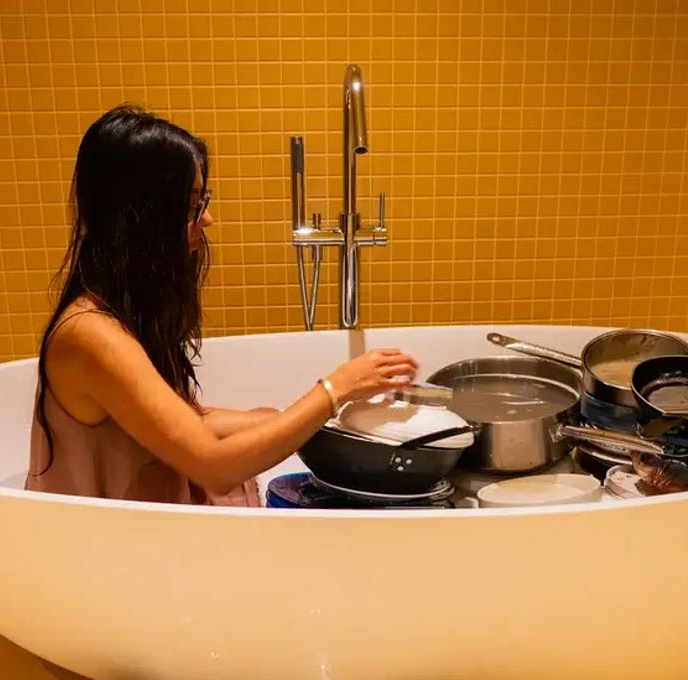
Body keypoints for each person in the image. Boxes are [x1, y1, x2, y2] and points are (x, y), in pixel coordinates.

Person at [24, 105, 418, 506]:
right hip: (96, 552)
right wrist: (333, 391)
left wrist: (309, 416)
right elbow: (214, 465)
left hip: (132, 529)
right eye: (192, 204)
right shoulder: (91, 335)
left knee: (267, 414)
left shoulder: (119, 314)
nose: (207, 218)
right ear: (142, 219)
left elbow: (186, 418)